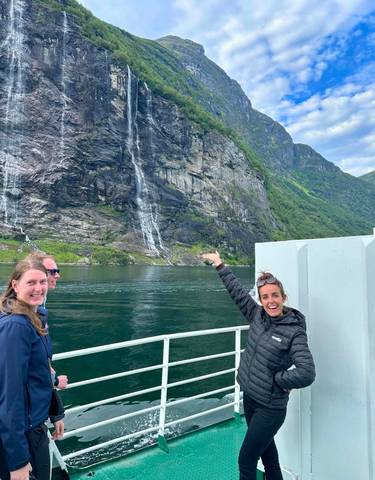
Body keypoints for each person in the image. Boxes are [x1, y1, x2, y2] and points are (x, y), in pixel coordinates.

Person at [201, 251, 315, 480]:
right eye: (265, 297)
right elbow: (238, 293)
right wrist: (219, 265)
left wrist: (277, 380)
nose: (270, 301)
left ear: (283, 297)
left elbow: (307, 372)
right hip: (251, 399)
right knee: (268, 455)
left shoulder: (294, 331)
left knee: (246, 459)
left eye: (275, 295)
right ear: (261, 300)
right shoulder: (257, 316)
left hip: (270, 408)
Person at [0, 258, 64, 480]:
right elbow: (10, 396)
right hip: (23, 434)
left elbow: (41, 374)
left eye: (42, 281)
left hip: (35, 425)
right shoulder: (15, 326)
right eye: (31, 283)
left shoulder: (34, 318)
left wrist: (56, 411)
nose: (39, 288)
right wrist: (17, 461)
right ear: (15, 285)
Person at [24, 252, 68, 390]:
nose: (57, 275)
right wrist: (53, 382)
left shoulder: (39, 308)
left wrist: (48, 369)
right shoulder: (18, 321)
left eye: (58, 271)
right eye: (53, 272)